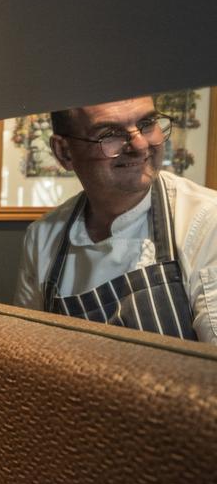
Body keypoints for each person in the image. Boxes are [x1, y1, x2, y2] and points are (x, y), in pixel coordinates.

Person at [14, 95, 217, 343]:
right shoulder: (43, 237)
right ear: (64, 152)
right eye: (110, 133)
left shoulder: (206, 221)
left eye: (147, 123)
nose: (140, 145)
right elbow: (28, 352)